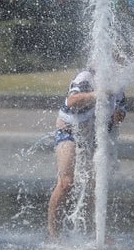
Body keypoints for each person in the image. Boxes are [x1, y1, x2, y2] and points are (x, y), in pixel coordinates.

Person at [46, 67, 126, 240]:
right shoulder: (86, 77)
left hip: (92, 136)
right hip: (69, 131)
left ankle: (94, 232)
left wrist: (118, 115)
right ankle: (53, 234)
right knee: (67, 182)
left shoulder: (118, 86)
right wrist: (95, 95)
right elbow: (71, 100)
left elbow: (121, 110)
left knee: (95, 185)